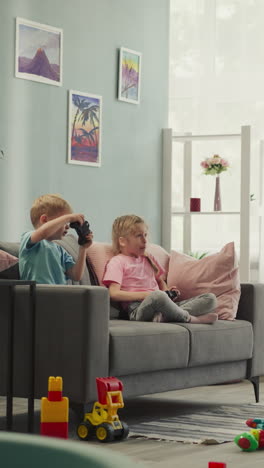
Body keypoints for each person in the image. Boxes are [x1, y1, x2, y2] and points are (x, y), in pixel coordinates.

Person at [103, 214, 218, 324]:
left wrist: (167, 291)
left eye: (145, 235)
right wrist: (147, 295)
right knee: (157, 296)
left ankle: (167, 316)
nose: (145, 240)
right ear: (122, 241)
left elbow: (159, 281)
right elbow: (113, 293)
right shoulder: (117, 262)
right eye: (139, 236)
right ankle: (189, 319)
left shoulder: (148, 258)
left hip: (160, 303)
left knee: (210, 299)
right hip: (138, 309)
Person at [19, 194, 93, 284]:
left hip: (57, 294)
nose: (68, 226)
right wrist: (69, 217)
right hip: (36, 293)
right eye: (64, 221)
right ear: (44, 220)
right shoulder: (28, 237)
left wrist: (83, 248)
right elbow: (43, 232)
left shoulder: (60, 251)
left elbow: (76, 276)